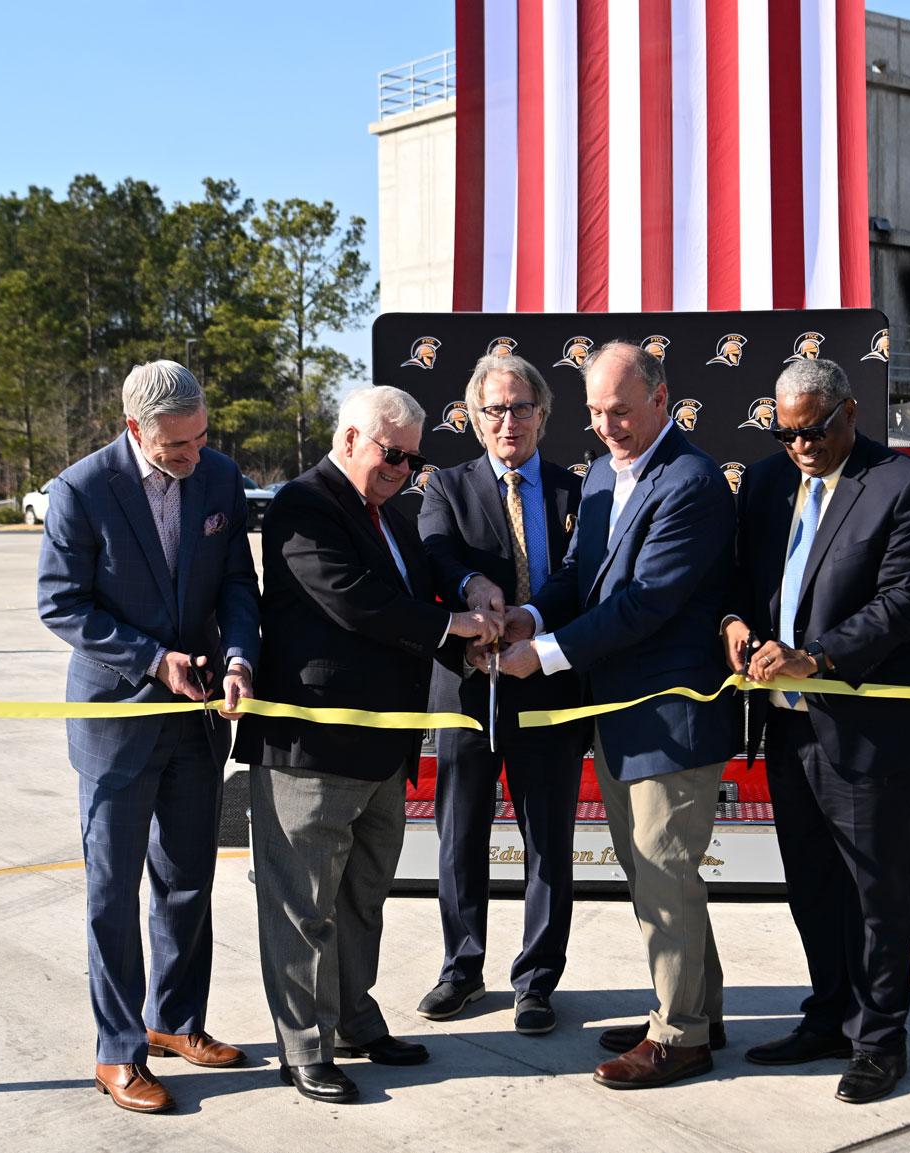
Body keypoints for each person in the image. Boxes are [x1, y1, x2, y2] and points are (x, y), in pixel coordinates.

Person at [233, 385, 502, 1104]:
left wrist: (465, 642)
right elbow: (352, 599)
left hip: (381, 749)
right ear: (350, 437)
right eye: (392, 453)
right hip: (311, 749)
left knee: (361, 898)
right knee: (303, 906)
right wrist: (454, 633)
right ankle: (302, 1047)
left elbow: (418, 603)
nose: (403, 469)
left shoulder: (391, 516)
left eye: (414, 459)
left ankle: (354, 1017)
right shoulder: (302, 504)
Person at [724, 358, 910, 1103]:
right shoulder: (768, 484)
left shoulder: (904, 484)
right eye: (786, 432)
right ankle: (828, 1013)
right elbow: (741, 578)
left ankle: (879, 1038)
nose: (800, 445)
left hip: (873, 728)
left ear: (849, 412)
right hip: (789, 729)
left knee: (876, 889)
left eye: (814, 429)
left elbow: (907, 598)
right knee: (810, 881)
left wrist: (817, 657)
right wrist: (735, 621)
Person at [498, 340, 736, 1090]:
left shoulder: (692, 481)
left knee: (663, 873)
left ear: (662, 399)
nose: (607, 426)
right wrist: (527, 614)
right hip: (619, 715)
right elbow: (582, 575)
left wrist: (545, 652)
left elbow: (646, 602)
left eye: (622, 411)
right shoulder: (604, 471)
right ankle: (695, 1009)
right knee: (652, 874)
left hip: (670, 719)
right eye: (597, 413)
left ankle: (681, 1036)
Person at [37, 360, 259, 1114]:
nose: (193, 454)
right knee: (111, 893)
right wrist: (149, 659)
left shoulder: (219, 477)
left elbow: (237, 583)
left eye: (201, 438)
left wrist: (237, 656)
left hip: (196, 717)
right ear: (135, 429)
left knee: (187, 880)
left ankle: (176, 1020)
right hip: (118, 721)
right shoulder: (81, 490)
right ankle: (118, 1050)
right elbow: (60, 604)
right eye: (176, 445)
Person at [415, 354, 585, 1035]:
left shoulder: (579, 492)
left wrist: (530, 619)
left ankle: (537, 979)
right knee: (459, 833)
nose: (506, 421)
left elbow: (578, 575)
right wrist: (471, 591)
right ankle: (461, 967)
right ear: (473, 418)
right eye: (493, 409)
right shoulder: (445, 486)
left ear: (542, 414)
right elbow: (434, 550)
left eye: (519, 408)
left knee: (549, 838)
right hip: (466, 687)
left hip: (546, 682)